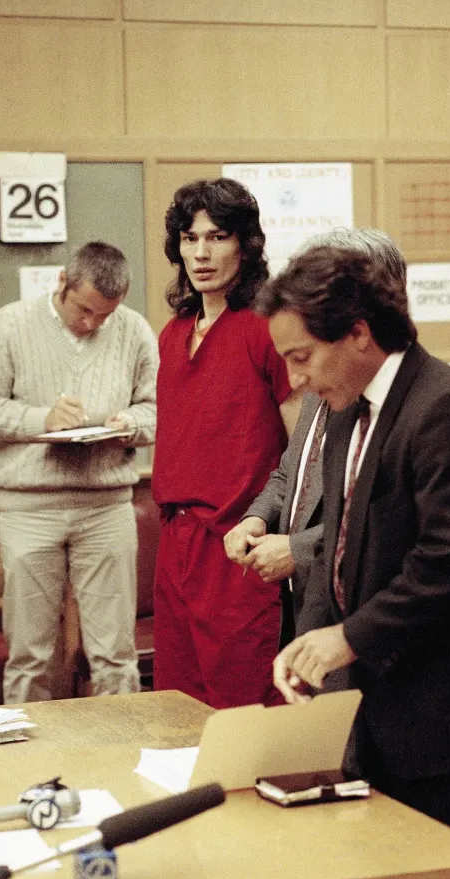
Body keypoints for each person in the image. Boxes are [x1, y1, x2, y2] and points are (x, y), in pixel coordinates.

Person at [255, 232, 450, 872]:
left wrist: (349, 638)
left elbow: (446, 566)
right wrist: (312, 642)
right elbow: (343, 552)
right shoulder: (348, 411)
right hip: (375, 718)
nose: (295, 380)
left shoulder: (449, 409)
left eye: (303, 357)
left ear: (359, 333)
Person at [0, 241, 159, 703]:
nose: (92, 324)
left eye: (104, 316)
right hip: (30, 510)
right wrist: (39, 419)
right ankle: (30, 767)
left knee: (115, 655)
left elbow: (159, 408)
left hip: (107, 508)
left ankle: (119, 756)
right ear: (62, 283)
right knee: (30, 657)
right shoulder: (9, 325)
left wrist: (130, 425)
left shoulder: (134, 331)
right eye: (84, 310)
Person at [152, 177, 301, 709]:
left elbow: (301, 449)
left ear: (245, 244)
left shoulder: (265, 328)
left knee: (241, 708)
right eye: (191, 240)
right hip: (175, 542)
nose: (202, 253)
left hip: (237, 546)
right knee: (174, 708)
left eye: (216, 237)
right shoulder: (174, 332)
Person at [224, 229, 405, 644]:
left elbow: (387, 523)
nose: (295, 377)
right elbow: (292, 470)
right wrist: (257, 517)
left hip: (366, 625)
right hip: (307, 603)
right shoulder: (322, 378)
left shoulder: (412, 403)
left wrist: (298, 550)